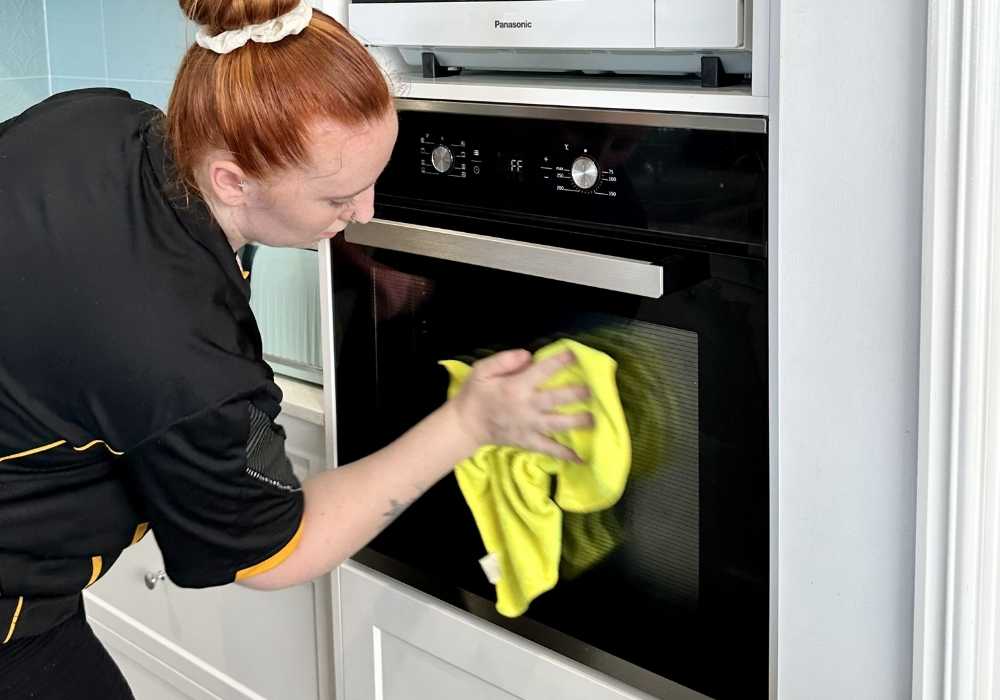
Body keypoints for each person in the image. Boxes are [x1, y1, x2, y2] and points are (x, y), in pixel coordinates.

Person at [0, 2, 592, 698]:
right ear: (231, 179)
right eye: (340, 195)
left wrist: (356, 255)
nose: (366, 211)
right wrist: (470, 422)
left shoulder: (98, 120)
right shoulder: (189, 366)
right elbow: (278, 552)